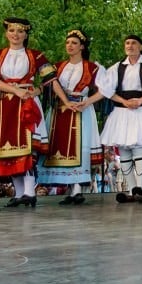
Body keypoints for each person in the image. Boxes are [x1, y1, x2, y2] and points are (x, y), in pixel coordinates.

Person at [0, 17, 57, 208]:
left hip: (27, 103)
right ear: (6, 33)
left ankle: (30, 192)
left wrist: (38, 91)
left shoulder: (35, 55)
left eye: (20, 31)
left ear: (26, 34)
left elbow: (50, 79)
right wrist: (15, 90)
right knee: (8, 149)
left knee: (27, 146)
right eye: (12, 31)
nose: (15, 35)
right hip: (4, 106)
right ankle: (19, 193)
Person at [37, 29, 105, 206]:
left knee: (81, 147)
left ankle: (77, 189)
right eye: (68, 43)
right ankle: (69, 188)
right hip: (59, 110)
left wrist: (88, 101)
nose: (70, 46)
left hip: (81, 109)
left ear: (82, 46)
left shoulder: (92, 67)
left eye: (74, 43)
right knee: (58, 146)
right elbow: (46, 86)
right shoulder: (57, 66)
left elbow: (105, 90)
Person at [98, 35, 142, 204]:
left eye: (134, 43)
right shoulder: (117, 67)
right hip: (122, 111)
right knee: (124, 151)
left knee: (139, 149)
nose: (130, 46)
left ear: (141, 46)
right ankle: (131, 189)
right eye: (127, 43)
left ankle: (140, 188)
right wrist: (123, 101)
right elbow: (106, 90)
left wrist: (141, 101)